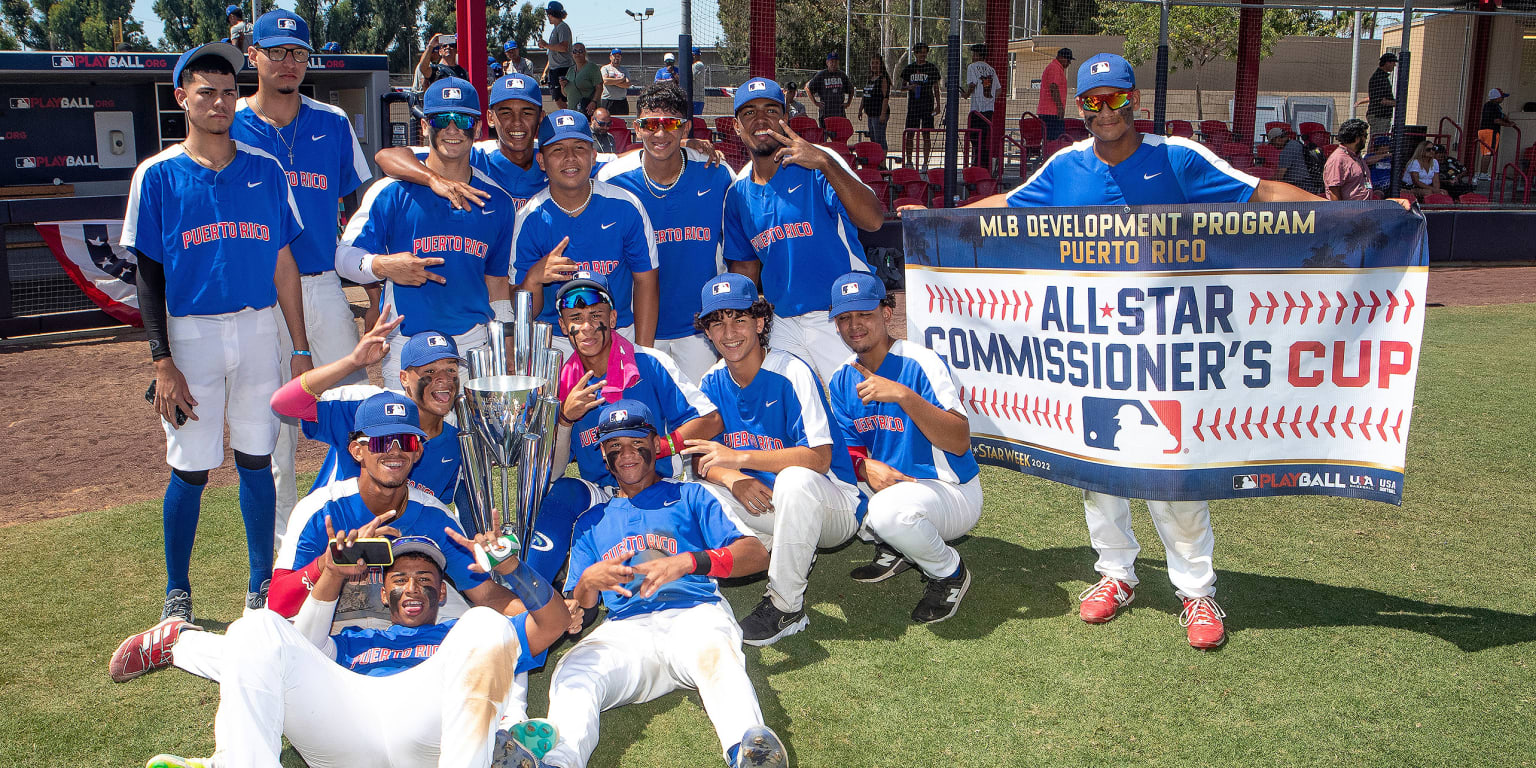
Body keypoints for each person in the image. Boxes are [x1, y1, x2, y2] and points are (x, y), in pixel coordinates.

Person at [968, 53, 1325, 649]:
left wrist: (1357, 212)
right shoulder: (1066, 167)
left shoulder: (1177, 157)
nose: (1106, 111)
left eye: (1116, 99)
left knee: (1169, 474)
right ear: (1080, 107)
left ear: (1136, 99)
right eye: (1093, 101)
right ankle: (1116, 575)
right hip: (1091, 352)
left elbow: (1260, 193)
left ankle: (1196, 591)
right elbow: (1007, 207)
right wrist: (937, 221)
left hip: (1164, 351)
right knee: (1098, 470)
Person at [114, 524, 572, 767]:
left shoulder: (458, 638)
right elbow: (293, 650)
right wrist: (332, 573)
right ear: (383, 590)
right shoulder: (352, 636)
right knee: (257, 628)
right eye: (400, 579)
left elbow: (552, 624)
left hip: (427, 737)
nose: (413, 588)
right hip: (347, 732)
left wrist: (510, 566)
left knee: (487, 624)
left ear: (440, 592)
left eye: (426, 579)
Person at [123, 42, 310, 622]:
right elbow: (148, 275)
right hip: (190, 335)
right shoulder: (156, 175)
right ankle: (177, 589)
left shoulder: (266, 168)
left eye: (229, 92)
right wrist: (161, 361)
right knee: (191, 464)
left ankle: (259, 585)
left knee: (257, 456)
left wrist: (299, 345)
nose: (221, 103)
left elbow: (284, 264)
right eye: (206, 92)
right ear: (182, 99)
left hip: (257, 330)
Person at [538, 399, 788, 768]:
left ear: (655, 445)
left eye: (636, 442)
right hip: (627, 631)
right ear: (604, 457)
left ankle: (748, 753)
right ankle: (560, 760)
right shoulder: (592, 521)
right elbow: (581, 613)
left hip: (695, 615)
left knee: (718, 658)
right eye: (614, 448)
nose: (627, 455)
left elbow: (755, 554)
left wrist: (690, 561)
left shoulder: (691, 495)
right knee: (575, 668)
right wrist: (587, 584)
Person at [233, 8, 374, 548]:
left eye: (297, 52)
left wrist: (370, 289)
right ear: (255, 57)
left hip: (321, 284)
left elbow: (362, 211)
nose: (288, 63)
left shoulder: (332, 121)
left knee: (357, 409)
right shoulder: (233, 124)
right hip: (258, 298)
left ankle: (364, 529)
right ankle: (283, 552)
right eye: (276, 52)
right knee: (275, 434)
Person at [686, 273, 864, 644]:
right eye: (717, 322)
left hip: (831, 502)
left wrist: (739, 458)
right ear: (706, 331)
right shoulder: (711, 381)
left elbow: (818, 458)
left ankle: (786, 606)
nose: (729, 331)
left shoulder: (790, 371)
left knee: (794, 481)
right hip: (762, 500)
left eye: (739, 318)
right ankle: (779, 549)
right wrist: (733, 477)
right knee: (688, 491)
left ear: (761, 321)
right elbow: (704, 460)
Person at [522, 273, 721, 582]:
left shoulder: (650, 362)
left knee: (647, 577)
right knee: (563, 492)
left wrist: (660, 447)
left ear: (612, 318)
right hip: (604, 493)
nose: (586, 327)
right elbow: (551, 473)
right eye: (575, 318)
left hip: (658, 486)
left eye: (595, 316)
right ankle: (532, 588)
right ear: (563, 326)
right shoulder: (559, 383)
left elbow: (710, 420)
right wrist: (564, 419)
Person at [823, 272, 981, 625]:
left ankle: (948, 572)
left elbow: (959, 440)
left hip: (948, 489)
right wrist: (864, 468)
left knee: (889, 515)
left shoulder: (920, 362)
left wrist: (904, 396)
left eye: (864, 313)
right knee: (819, 482)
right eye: (844, 318)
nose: (854, 325)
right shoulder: (841, 378)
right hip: (890, 487)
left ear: (887, 313)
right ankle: (897, 546)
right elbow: (846, 451)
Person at [336, 77, 515, 385]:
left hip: (472, 347)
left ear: (478, 128)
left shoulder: (497, 200)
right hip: (408, 345)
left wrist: (506, 345)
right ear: (424, 127)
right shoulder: (391, 191)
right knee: (409, 435)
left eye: (463, 119)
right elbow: (344, 258)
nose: (452, 129)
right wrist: (383, 266)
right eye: (440, 119)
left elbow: (497, 284)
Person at [725, 77, 885, 382]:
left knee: (863, 408)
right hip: (783, 321)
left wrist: (824, 162)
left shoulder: (818, 164)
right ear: (736, 127)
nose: (761, 119)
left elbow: (873, 220)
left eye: (771, 110)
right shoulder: (737, 194)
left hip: (840, 313)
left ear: (786, 117)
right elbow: (745, 269)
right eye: (749, 113)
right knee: (785, 407)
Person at [596, 82, 734, 382]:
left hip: (700, 329)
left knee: (703, 418)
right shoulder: (612, 180)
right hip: (638, 328)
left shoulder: (716, 172)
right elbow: (566, 167)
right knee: (642, 420)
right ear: (636, 128)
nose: (660, 133)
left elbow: (738, 249)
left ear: (685, 129)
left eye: (670, 123)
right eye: (650, 124)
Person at [269, 315, 466, 508]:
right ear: (404, 378)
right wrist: (353, 362)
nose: (444, 379)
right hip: (336, 528)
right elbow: (283, 403)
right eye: (429, 372)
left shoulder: (457, 442)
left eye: (451, 370)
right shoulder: (367, 406)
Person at [512, 110, 660, 352]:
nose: (570, 158)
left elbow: (646, 282)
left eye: (579, 148)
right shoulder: (529, 217)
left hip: (617, 332)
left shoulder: (625, 205)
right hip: (555, 340)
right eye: (558, 150)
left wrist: (643, 352)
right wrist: (534, 278)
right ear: (541, 160)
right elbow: (524, 310)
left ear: (593, 156)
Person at [1324, 118, 1387, 201]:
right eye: (1365, 136)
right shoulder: (1338, 159)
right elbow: (1334, 190)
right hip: (1349, 211)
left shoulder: (1356, 156)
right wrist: (1339, 212)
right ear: (1357, 138)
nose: (1365, 140)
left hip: (1363, 208)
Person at [962, 43, 997, 168]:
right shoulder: (991, 69)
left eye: (973, 54)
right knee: (984, 137)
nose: (972, 57)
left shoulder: (972, 67)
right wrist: (990, 101)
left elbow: (972, 84)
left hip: (977, 110)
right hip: (989, 110)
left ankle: (977, 164)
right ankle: (982, 164)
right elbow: (999, 89)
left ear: (977, 55)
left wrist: (966, 94)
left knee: (974, 137)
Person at [898, 42, 942, 130]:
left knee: (926, 133)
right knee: (910, 132)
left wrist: (938, 105)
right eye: (920, 52)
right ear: (915, 53)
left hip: (927, 105)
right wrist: (909, 87)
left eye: (925, 52)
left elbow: (936, 88)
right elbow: (902, 87)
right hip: (913, 106)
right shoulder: (909, 68)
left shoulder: (931, 68)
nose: (923, 55)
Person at [806, 51, 854, 127]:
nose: (833, 64)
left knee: (839, 135)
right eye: (831, 61)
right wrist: (815, 102)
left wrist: (848, 103)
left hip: (839, 112)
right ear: (827, 62)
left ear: (838, 63)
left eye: (835, 61)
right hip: (825, 112)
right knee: (824, 135)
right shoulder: (821, 75)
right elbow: (807, 88)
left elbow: (851, 89)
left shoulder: (842, 75)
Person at [1266, 125, 1319, 195]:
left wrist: (1265, 183)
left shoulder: (1286, 151)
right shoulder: (1297, 143)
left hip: (1299, 186)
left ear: (1278, 139)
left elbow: (1280, 176)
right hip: (1309, 185)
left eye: (1273, 143)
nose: (1274, 146)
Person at [1477, 87, 1515, 180]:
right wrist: (1509, 125)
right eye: (1501, 97)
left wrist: (1506, 119)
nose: (1503, 99)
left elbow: (1502, 116)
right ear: (1496, 98)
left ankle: (1482, 173)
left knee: (1485, 153)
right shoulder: (1494, 107)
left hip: (1482, 131)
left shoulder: (1488, 105)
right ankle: (1483, 174)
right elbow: (1497, 120)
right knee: (1488, 153)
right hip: (1491, 131)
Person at [1037, 47, 1073, 140]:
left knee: (1053, 139)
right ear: (1061, 57)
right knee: (1055, 140)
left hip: (1050, 112)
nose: (1069, 63)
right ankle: (1051, 154)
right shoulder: (1055, 68)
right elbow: (1053, 87)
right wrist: (1060, 107)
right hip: (1051, 113)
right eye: (1068, 60)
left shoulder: (1056, 68)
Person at [543, 1, 574, 109]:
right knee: (557, 98)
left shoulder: (562, 27)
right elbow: (552, 52)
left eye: (549, 14)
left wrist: (546, 45)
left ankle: (569, 118)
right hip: (554, 68)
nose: (548, 17)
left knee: (562, 99)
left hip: (562, 68)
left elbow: (563, 47)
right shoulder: (555, 29)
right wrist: (546, 71)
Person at [859, 52, 892, 151]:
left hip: (879, 114)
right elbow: (865, 95)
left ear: (880, 64)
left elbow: (885, 97)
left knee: (879, 139)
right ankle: (876, 161)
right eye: (872, 63)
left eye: (876, 63)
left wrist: (883, 114)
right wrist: (860, 109)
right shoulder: (870, 79)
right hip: (870, 114)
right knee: (873, 138)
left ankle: (882, 164)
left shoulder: (883, 79)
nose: (874, 65)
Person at [561, 42, 602, 114]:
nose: (577, 54)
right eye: (575, 51)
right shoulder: (570, 70)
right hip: (572, 111)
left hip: (587, 110)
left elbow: (599, 87)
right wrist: (562, 85)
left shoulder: (592, 67)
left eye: (580, 51)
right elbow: (566, 94)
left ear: (585, 53)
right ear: (572, 54)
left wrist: (593, 102)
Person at [1366, 52, 1397, 141]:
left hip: (1381, 116)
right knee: (1378, 141)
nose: (1394, 65)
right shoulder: (1379, 78)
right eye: (1393, 62)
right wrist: (1396, 103)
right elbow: (1380, 100)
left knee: (1380, 140)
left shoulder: (1382, 77)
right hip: (1379, 116)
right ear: (1387, 63)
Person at [600, 48, 631, 115]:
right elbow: (605, 81)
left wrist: (612, 81)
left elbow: (627, 84)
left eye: (618, 56)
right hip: (608, 100)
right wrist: (620, 80)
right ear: (610, 57)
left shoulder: (624, 70)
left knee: (622, 123)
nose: (616, 58)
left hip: (621, 101)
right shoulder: (605, 68)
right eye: (614, 56)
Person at [691, 46, 708, 115]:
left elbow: (691, 77)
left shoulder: (698, 65)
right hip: (693, 98)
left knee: (696, 120)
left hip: (696, 99)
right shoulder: (693, 65)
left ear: (693, 55)